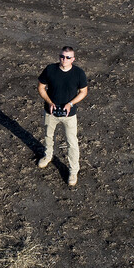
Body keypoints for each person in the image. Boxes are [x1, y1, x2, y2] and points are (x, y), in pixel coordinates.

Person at [37, 46, 88, 186]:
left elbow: (83, 92)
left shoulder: (78, 73)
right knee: (48, 136)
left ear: (73, 59)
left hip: (69, 115)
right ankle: (47, 156)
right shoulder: (50, 69)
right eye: (62, 56)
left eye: (68, 57)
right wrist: (49, 102)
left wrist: (70, 104)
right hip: (50, 112)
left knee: (71, 142)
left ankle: (73, 171)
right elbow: (41, 87)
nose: (64, 60)